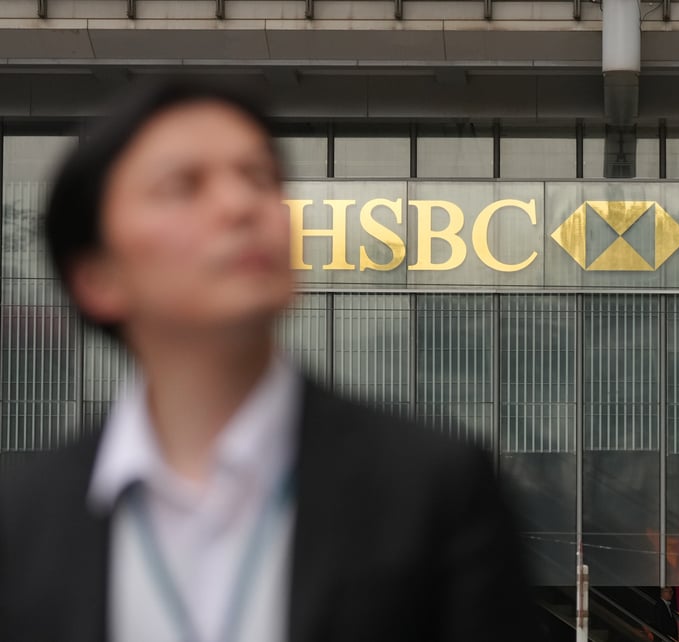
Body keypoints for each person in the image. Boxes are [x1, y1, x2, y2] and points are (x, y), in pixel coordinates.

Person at [0, 80, 539, 642]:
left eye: (260, 178)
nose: (241, 206)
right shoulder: (26, 521)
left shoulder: (434, 490)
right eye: (183, 186)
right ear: (97, 278)